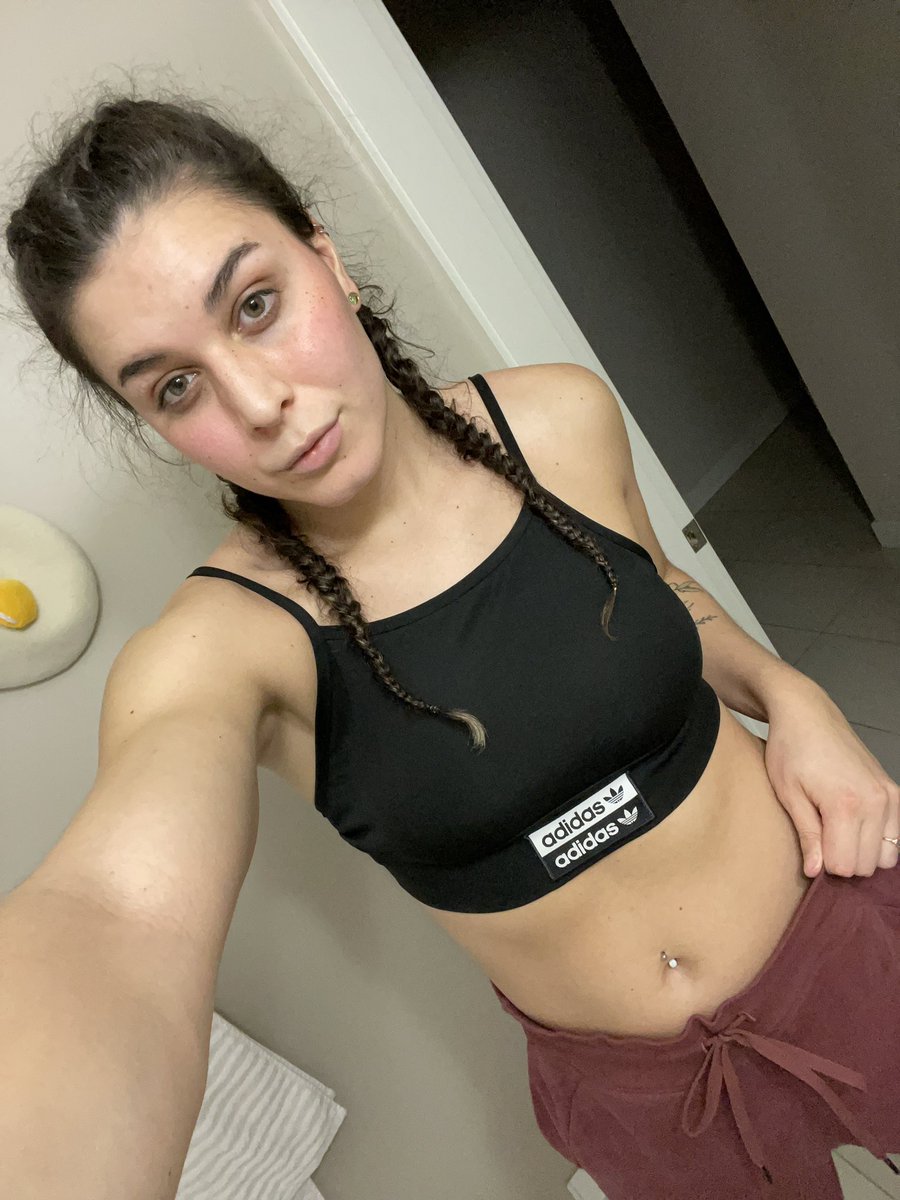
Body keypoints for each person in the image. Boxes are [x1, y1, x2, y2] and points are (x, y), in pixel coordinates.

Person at [2, 92, 898, 1200]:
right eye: (176, 386)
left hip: (840, 923)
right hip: (642, 1098)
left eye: (256, 304)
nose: (261, 400)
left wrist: (795, 698)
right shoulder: (216, 652)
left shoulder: (560, 422)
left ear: (328, 259)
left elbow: (665, 591)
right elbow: (113, 916)